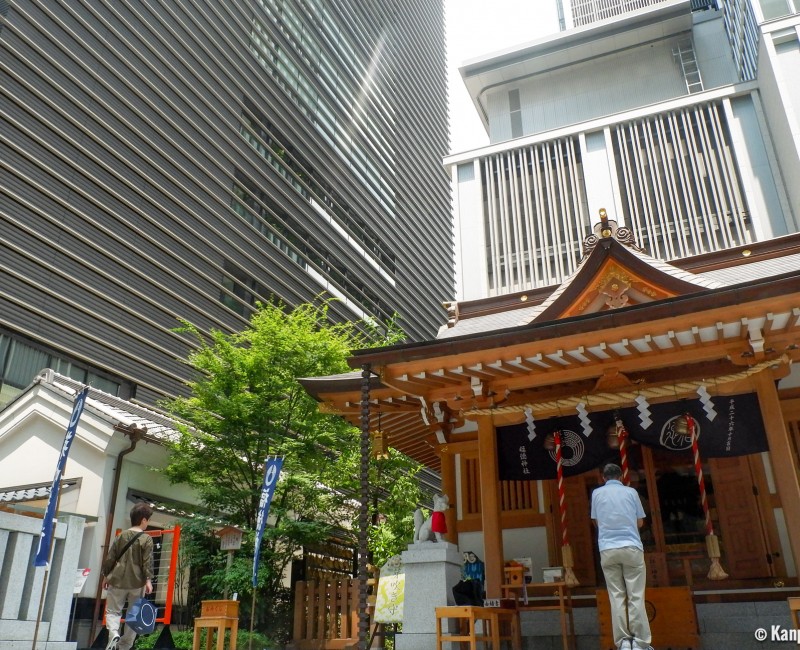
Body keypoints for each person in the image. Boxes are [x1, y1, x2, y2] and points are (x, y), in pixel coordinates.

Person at [591, 463, 652, 650]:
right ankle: (640, 642)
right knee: (635, 595)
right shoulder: (631, 493)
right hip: (631, 546)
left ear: (603, 477)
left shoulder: (596, 494)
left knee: (616, 595)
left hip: (607, 549)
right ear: (621, 477)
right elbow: (640, 522)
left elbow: (596, 522)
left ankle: (624, 642)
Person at [103, 502, 154, 650]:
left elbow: (110, 558)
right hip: (137, 582)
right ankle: (125, 645)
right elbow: (147, 561)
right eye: (148, 520)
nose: (148, 523)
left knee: (113, 610)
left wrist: (106, 576)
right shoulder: (146, 539)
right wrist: (148, 580)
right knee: (133, 614)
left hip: (117, 579)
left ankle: (113, 633)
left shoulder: (121, 536)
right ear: (143, 520)